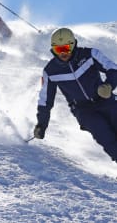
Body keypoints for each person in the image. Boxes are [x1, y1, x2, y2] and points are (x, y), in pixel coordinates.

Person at [33, 27, 117, 163]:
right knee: (105, 135)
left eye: (66, 48)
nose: (63, 53)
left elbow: (113, 68)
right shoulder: (51, 71)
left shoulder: (89, 54)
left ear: (72, 45)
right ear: (53, 49)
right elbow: (45, 100)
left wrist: (108, 85)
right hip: (84, 110)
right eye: (58, 49)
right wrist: (41, 125)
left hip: (104, 99)